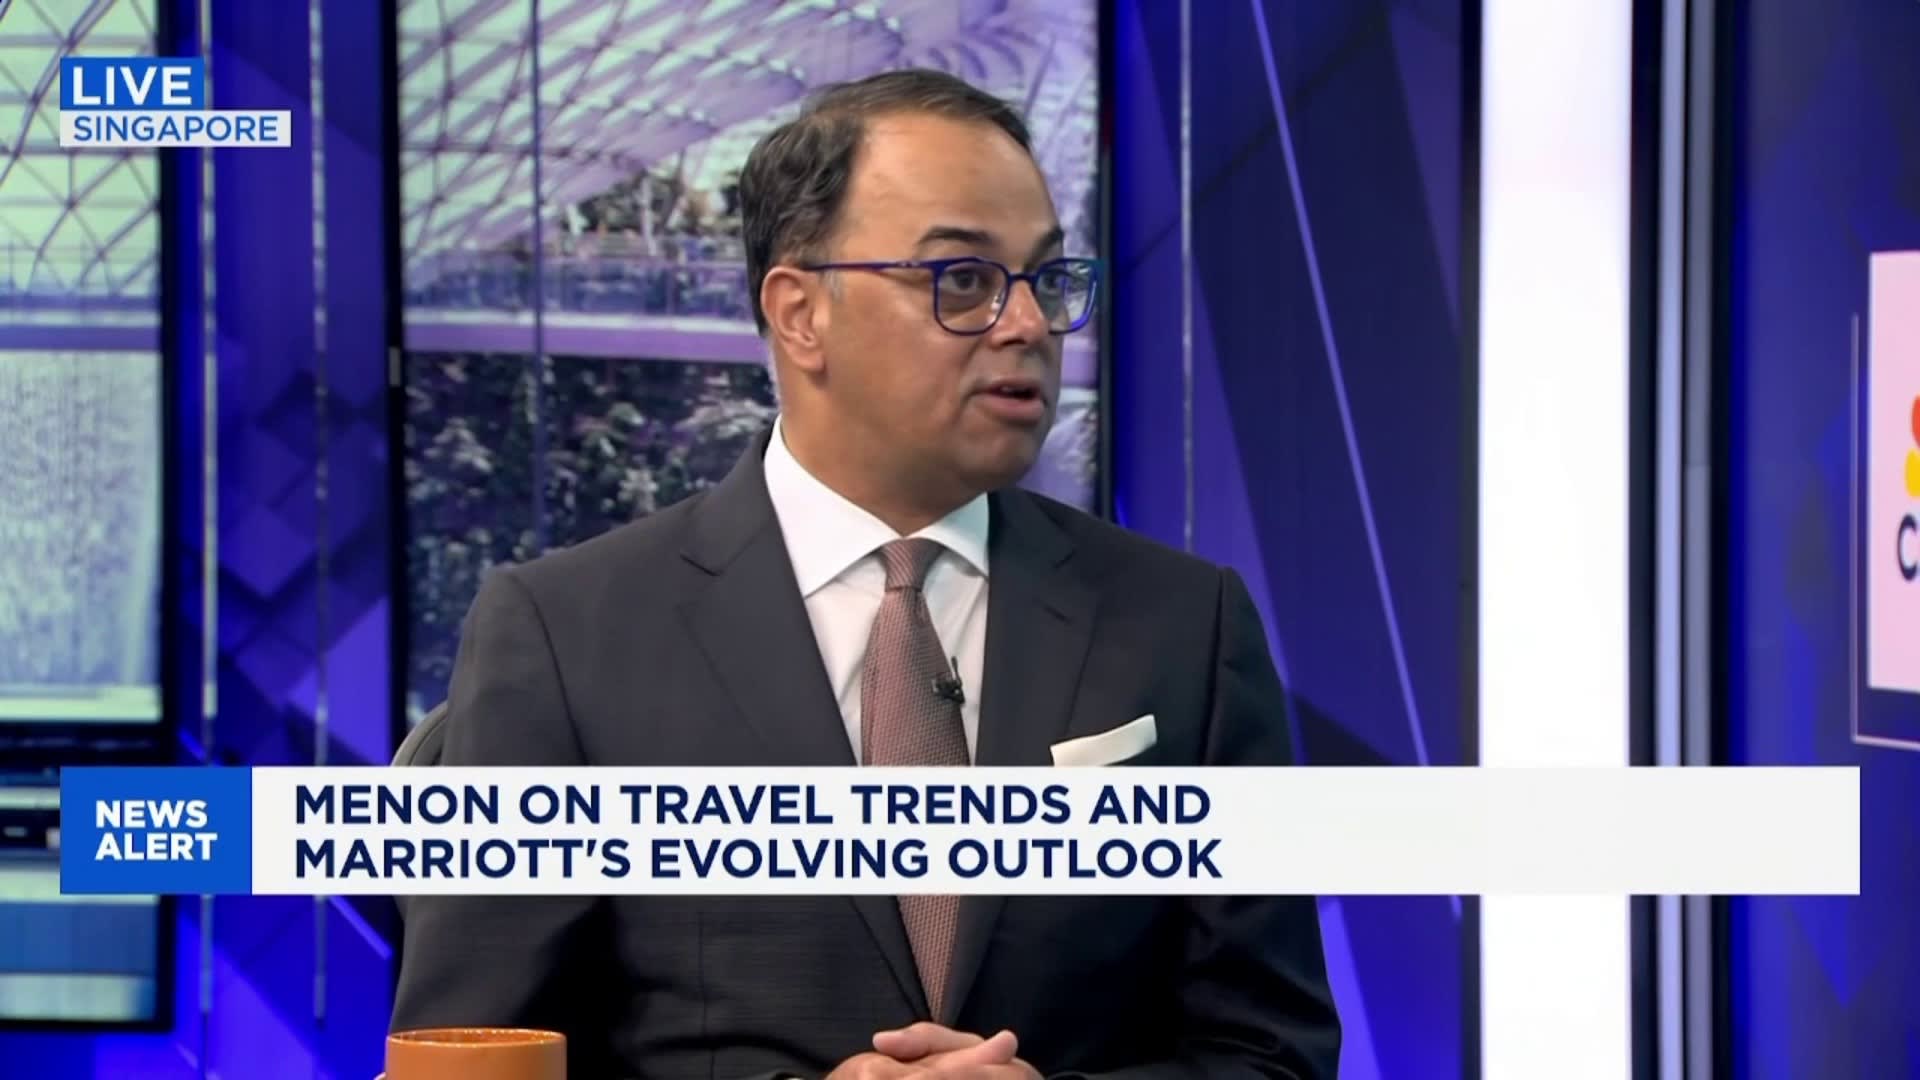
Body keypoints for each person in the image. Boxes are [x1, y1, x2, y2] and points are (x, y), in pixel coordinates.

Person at [391, 68, 1340, 1079]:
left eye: (1046, 278)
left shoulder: (1183, 627)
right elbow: (469, 1063)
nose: (1028, 324)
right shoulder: (566, 637)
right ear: (801, 312)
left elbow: (1272, 1054)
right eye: (963, 279)